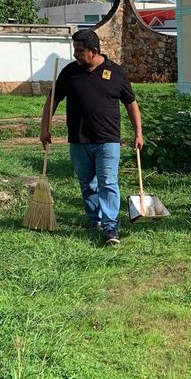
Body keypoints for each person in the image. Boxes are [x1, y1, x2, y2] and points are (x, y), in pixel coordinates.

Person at [40, 29, 144, 245]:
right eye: (74, 49)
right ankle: (94, 219)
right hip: (78, 140)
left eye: (79, 50)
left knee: (108, 182)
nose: (75, 54)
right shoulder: (69, 73)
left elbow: (131, 104)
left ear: (94, 51)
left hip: (107, 140)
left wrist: (138, 132)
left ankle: (111, 227)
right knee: (87, 183)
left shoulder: (116, 72)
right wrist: (44, 128)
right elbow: (53, 101)